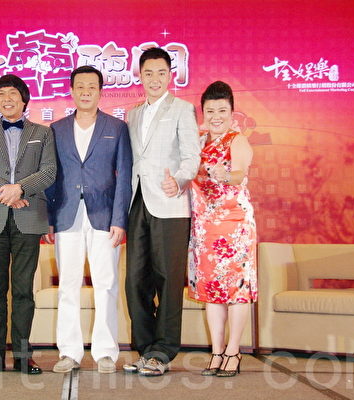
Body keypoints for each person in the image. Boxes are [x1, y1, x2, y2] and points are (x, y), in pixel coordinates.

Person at [45, 66, 133, 374]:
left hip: (104, 216)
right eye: (80, 86)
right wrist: (48, 218)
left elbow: (124, 177)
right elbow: (50, 176)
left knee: (106, 284)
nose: (85, 91)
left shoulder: (117, 127)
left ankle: (105, 352)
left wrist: (120, 219)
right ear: (71, 91)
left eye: (92, 87)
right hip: (66, 214)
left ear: (100, 92)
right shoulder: (56, 129)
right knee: (68, 284)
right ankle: (69, 352)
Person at [0, 74, 56, 375]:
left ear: (24, 99)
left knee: (23, 291)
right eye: (2, 94)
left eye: (13, 94)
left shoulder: (43, 133)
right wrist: (7, 192)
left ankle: (22, 355)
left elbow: (49, 172)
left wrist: (20, 190)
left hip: (28, 218)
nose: (7, 99)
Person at [124, 47, 201, 376]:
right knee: (135, 280)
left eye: (161, 73)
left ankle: (164, 351)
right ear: (139, 76)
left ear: (171, 75)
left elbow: (192, 157)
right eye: (148, 73)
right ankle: (145, 350)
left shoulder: (182, 109)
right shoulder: (133, 113)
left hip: (171, 205)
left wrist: (180, 181)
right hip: (137, 201)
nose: (154, 79)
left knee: (168, 279)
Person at [188, 81, 256, 377]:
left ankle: (233, 351)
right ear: (203, 112)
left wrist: (224, 174)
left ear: (232, 112)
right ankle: (217, 352)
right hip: (205, 226)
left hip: (234, 226)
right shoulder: (198, 141)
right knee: (213, 289)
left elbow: (239, 174)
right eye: (210, 111)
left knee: (236, 289)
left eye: (222, 111)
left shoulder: (236, 140)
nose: (216, 117)